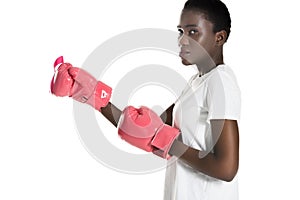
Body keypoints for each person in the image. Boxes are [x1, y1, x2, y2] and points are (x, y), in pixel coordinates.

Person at [50, 0, 241, 199]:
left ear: (219, 37)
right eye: (180, 31)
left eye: (193, 32)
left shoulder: (220, 81)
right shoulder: (197, 82)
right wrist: (90, 93)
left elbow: (226, 168)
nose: (182, 40)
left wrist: (167, 141)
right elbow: (144, 129)